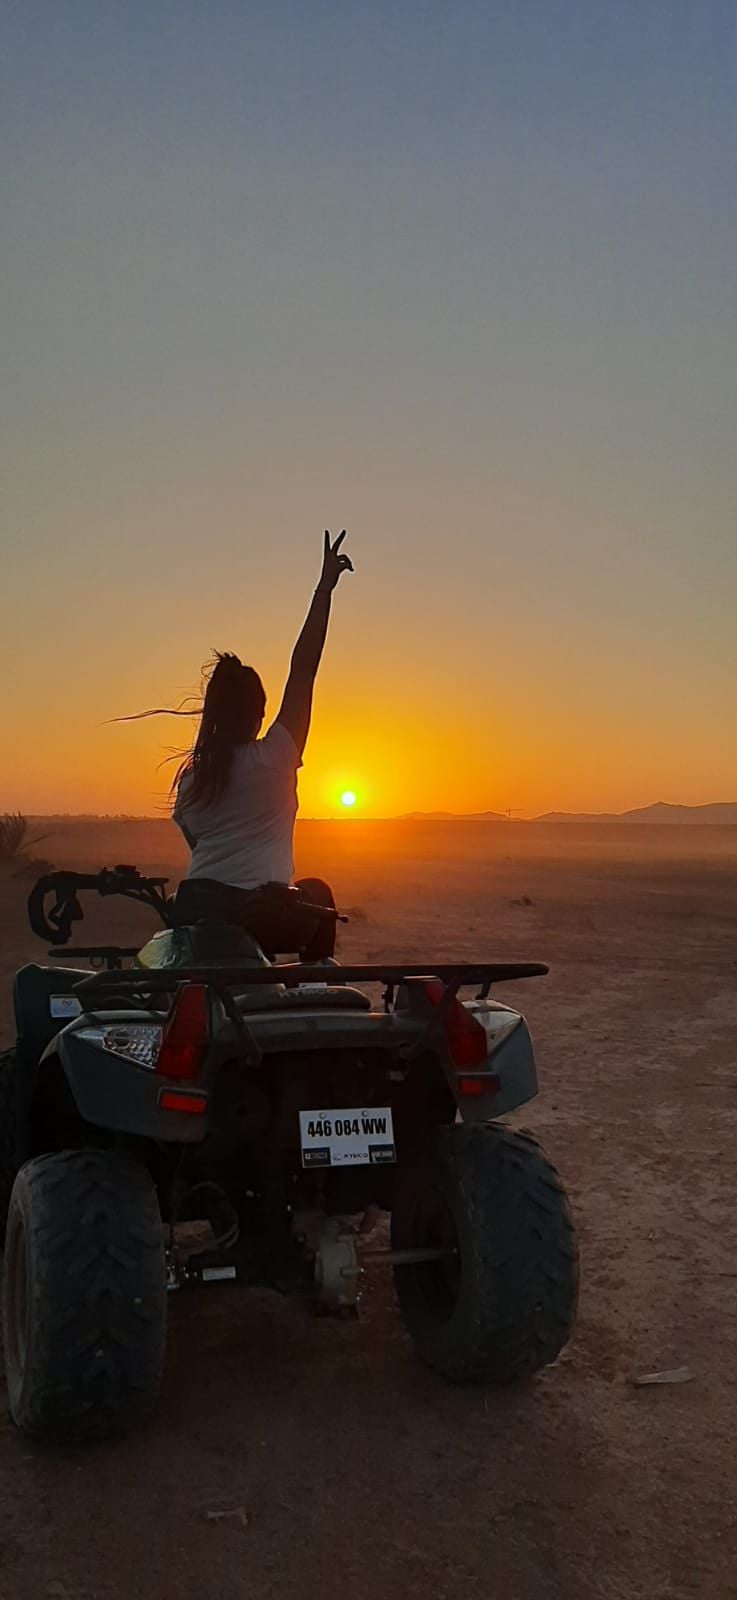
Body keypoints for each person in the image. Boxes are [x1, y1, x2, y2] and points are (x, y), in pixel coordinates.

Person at [171, 530, 353, 960]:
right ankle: (316, 993)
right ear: (259, 713)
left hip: (195, 910)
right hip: (264, 917)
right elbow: (304, 669)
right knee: (317, 893)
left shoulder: (194, 779)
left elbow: (205, 850)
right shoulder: (275, 757)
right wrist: (324, 590)